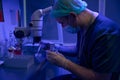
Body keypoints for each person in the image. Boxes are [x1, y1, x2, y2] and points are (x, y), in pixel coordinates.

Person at [46, 0, 120, 80]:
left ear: (72, 15)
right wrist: (57, 47)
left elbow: (101, 78)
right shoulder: (84, 25)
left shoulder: (105, 35)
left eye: (62, 23)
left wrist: (65, 63)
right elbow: (81, 49)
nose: (63, 27)